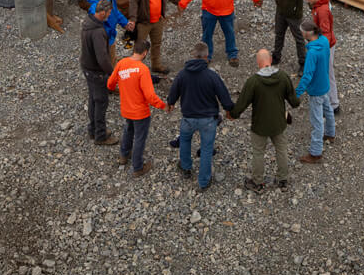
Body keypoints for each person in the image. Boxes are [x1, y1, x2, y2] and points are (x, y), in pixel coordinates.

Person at [165, 42, 235, 191]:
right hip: (208, 120)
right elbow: (224, 95)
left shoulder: (182, 74)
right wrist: (229, 110)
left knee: (184, 141)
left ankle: (185, 167)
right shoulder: (211, 76)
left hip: (188, 118)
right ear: (206, 56)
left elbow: (174, 91)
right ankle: (203, 182)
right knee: (206, 148)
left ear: (193, 55)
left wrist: (170, 103)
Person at [230, 48, 300, 190]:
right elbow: (294, 102)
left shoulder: (253, 82)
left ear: (258, 62)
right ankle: (283, 180)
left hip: (259, 125)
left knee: (258, 153)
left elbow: (241, 104)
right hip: (279, 123)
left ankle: (258, 182)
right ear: (270, 60)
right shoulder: (283, 77)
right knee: (281, 150)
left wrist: (232, 114)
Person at [107, 39, 166, 176]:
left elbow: (110, 83)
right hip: (140, 112)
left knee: (128, 131)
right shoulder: (142, 70)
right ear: (145, 53)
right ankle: (137, 167)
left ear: (134, 50)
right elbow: (150, 96)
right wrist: (163, 105)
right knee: (139, 138)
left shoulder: (121, 64)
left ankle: (124, 155)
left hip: (126, 109)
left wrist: (120, 89)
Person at [296, 18, 334, 163]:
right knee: (328, 110)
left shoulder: (312, 53)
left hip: (316, 90)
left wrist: (298, 92)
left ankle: (315, 152)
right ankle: (330, 134)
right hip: (325, 84)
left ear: (306, 34)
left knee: (317, 121)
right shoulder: (324, 40)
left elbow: (307, 75)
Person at [79, 0, 117, 145]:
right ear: (102, 13)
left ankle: (92, 129)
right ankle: (101, 136)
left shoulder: (88, 22)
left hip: (87, 68)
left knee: (93, 99)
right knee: (101, 101)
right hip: (96, 72)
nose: (109, 15)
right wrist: (112, 73)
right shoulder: (98, 32)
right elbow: (102, 58)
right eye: (108, 13)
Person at [303, 0, 340, 113]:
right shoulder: (319, 5)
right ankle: (329, 101)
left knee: (328, 74)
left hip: (326, 47)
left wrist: (321, 49)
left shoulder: (322, 10)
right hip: (325, 45)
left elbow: (326, 32)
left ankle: (334, 104)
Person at [128, 0, 171, 75]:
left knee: (157, 43)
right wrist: (133, 19)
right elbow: (133, 2)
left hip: (158, 20)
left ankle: (156, 65)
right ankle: (135, 69)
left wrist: (179, 2)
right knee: (139, 46)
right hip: (143, 23)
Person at [87, 0, 133, 64]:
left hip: (111, 34)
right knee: (104, 61)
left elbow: (115, 12)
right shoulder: (95, 6)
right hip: (103, 37)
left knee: (111, 54)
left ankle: (112, 61)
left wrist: (125, 23)